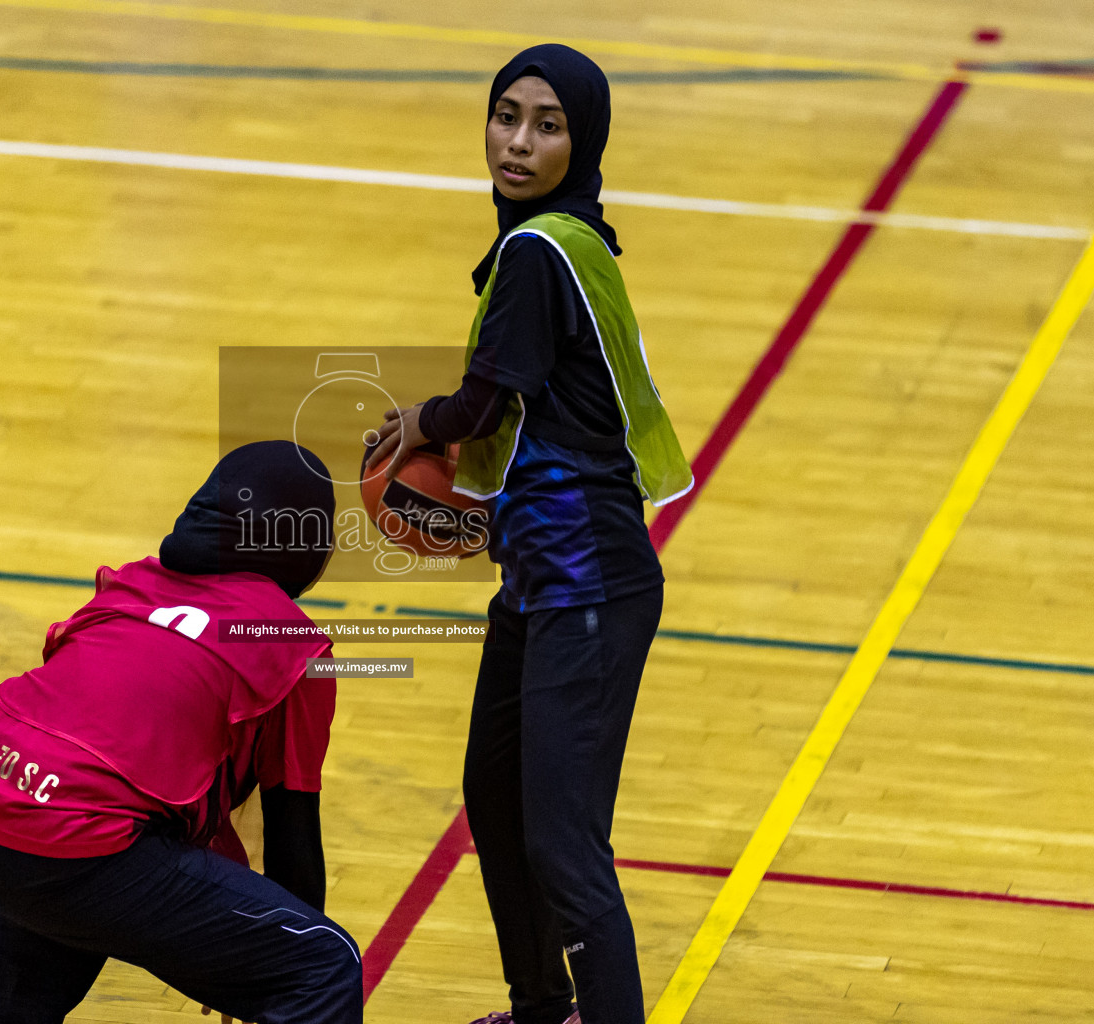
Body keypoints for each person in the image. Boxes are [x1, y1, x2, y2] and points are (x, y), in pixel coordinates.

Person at [367, 44, 693, 1024]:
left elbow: (480, 402)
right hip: (545, 570)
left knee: (562, 838)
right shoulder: (572, 236)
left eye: (547, 125)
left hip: (587, 576)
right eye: (506, 115)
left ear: (580, 139)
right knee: (498, 801)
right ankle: (540, 1008)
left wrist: (415, 424)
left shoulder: (539, 252)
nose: (517, 141)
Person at [0, 440, 361, 1024]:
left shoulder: (128, 585)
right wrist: (268, 952)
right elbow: (293, 832)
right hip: (70, 835)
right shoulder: (292, 644)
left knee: (48, 927)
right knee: (324, 964)